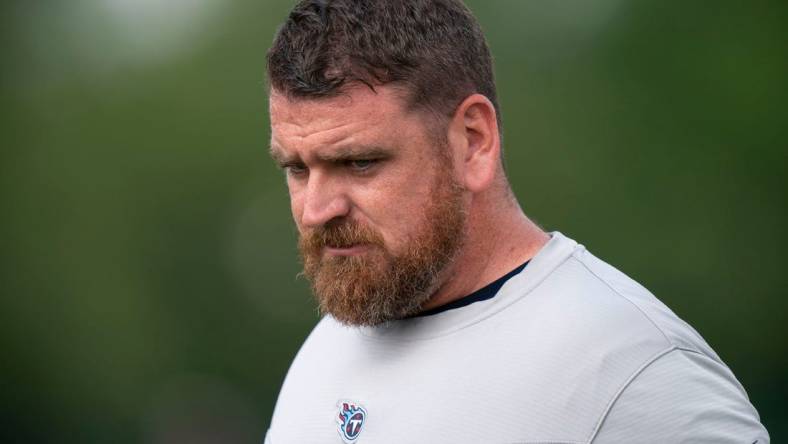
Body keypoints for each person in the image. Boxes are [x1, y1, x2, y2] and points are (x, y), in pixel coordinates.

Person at [263, 0, 769, 442]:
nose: (316, 209)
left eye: (360, 163)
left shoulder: (632, 371)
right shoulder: (325, 351)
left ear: (473, 140)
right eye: (297, 169)